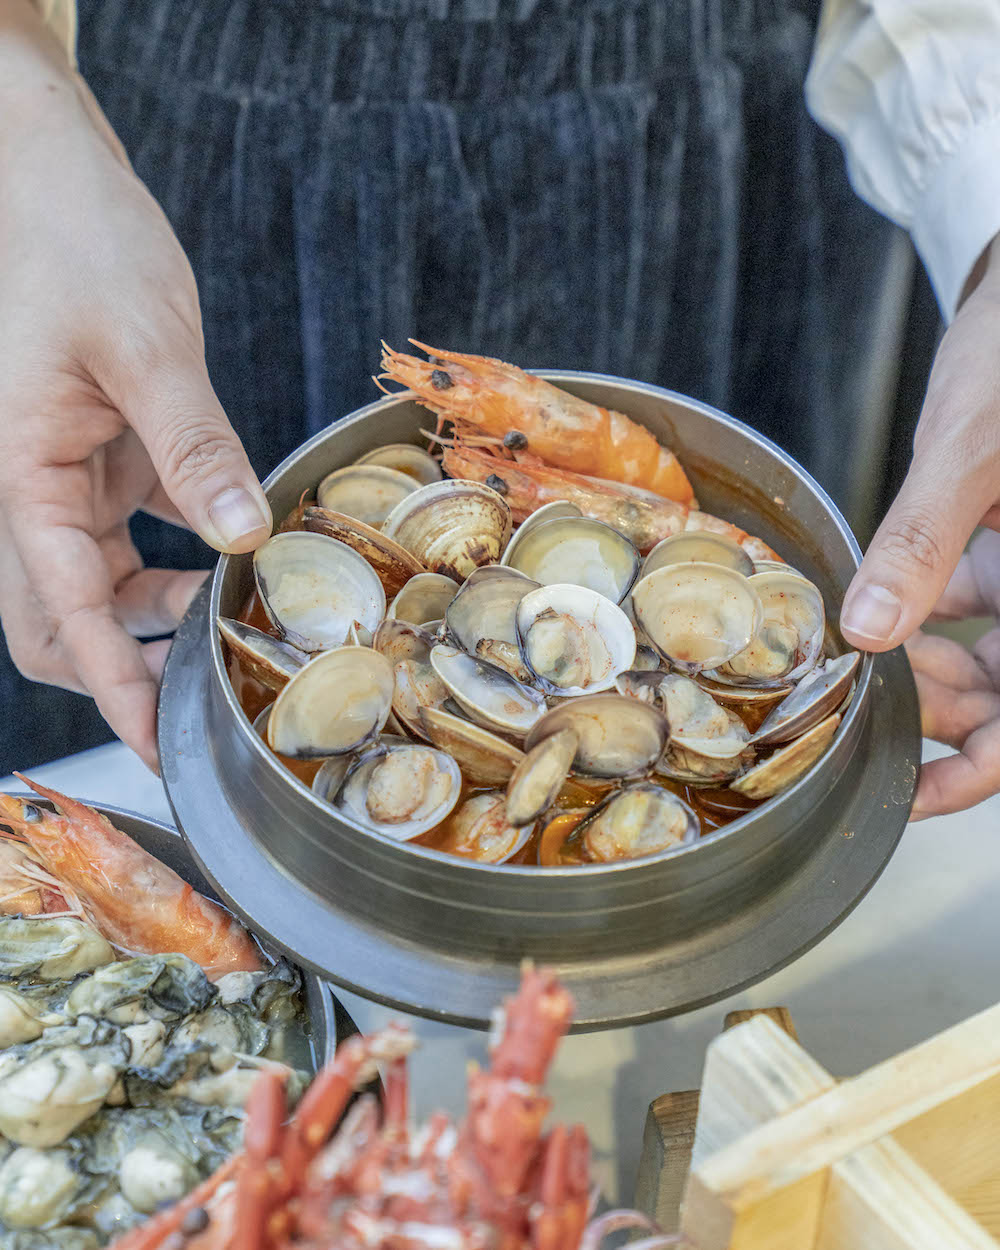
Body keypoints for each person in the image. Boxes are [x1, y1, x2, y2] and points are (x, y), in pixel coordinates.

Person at [0, 0, 997, 819]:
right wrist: (20, 125)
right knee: (138, 694)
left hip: (747, 130)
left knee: (760, 764)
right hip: (135, 169)